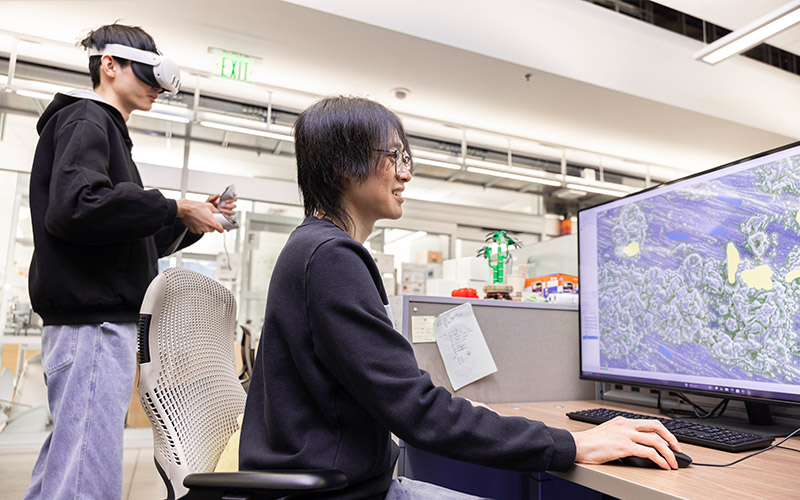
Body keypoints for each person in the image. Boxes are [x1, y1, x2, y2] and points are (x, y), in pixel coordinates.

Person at [239, 96, 682, 500]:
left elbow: (396, 395)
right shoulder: (331, 257)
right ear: (342, 165)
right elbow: (415, 411)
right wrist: (574, 442)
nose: (405, 172)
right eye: (392, 156)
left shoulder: (316, 249)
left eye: (404, 157)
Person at [23, 24, 235, 500]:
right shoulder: (86, 119)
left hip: (90, 324)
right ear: (109, 65)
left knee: (68, 457)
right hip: (94, 324)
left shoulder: (101, 131)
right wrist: (173, 206)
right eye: (146, 72)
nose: (156, 87)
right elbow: (77, 205)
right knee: (85, 473)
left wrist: (186, 223)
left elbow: (128, 237)